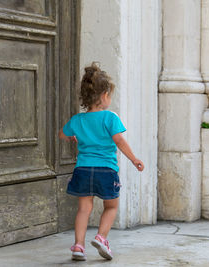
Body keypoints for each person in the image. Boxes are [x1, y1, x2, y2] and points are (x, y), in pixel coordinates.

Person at [59, 62, 144, 261]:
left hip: (83, 170)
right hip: (106, 170)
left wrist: (73, 137)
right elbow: (119, 141)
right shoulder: (110, 118)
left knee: (84, 209)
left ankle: (78, 246)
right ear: (105, 95)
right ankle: (101, 237)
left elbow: (61, 134)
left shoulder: (77, 120)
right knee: (111, 206)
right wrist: (134, 159)